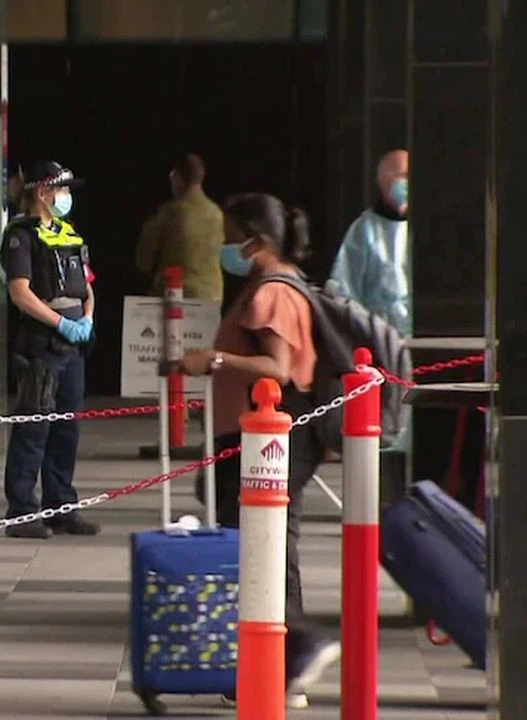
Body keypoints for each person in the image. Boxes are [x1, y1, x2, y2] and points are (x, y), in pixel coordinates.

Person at [179, 193, 340, 709]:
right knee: (255, 538)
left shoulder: (272, 293)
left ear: (255, 237)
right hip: (252, 438)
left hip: (269, 436)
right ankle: (271, 660)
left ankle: (289, 650)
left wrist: (214, 361)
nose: (226, 245)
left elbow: (278, 368)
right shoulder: (271, 287)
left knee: (261, 542)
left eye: (230, 235)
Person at [0, 160, 99, 539]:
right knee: (33, 429)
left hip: (73, 344)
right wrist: (60, 323)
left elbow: (87, 285)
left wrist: (86, 319)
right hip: (41, 343)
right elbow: (20, 292)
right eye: (61, 189)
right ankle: (22, 512)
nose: (66, 197)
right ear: (43, 192)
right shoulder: (21, 236)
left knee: (66, 429)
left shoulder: (69, 234)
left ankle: (62, 506)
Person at [330, 148, 412, 336]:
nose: (406, 183)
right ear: (382, 181)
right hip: (378, 335)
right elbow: (344, 291)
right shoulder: (364, 230)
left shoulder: (428, 227)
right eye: (401, 176)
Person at [135, 153, 225, 303]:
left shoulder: (169, 212)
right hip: (212, 297)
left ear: (177, 177)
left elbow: (144, 261)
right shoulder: (217, 214)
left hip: (174, 296)